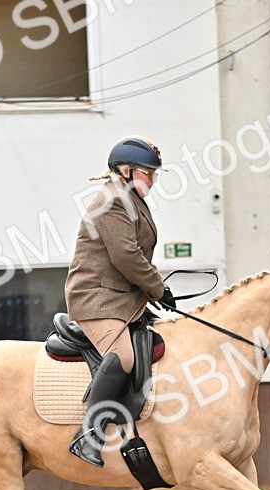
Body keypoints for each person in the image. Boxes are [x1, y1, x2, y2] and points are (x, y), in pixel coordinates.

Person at [64, 136, 176, 467]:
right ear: (125, 171)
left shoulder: (130, 198)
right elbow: (127, 256)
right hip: (96, 296)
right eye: (147, 173)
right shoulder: (111, 201)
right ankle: (89, 435)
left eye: (155, 174)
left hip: (122, 297)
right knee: (122, 355)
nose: (152, 180)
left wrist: (153, 290)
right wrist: (157, 288)